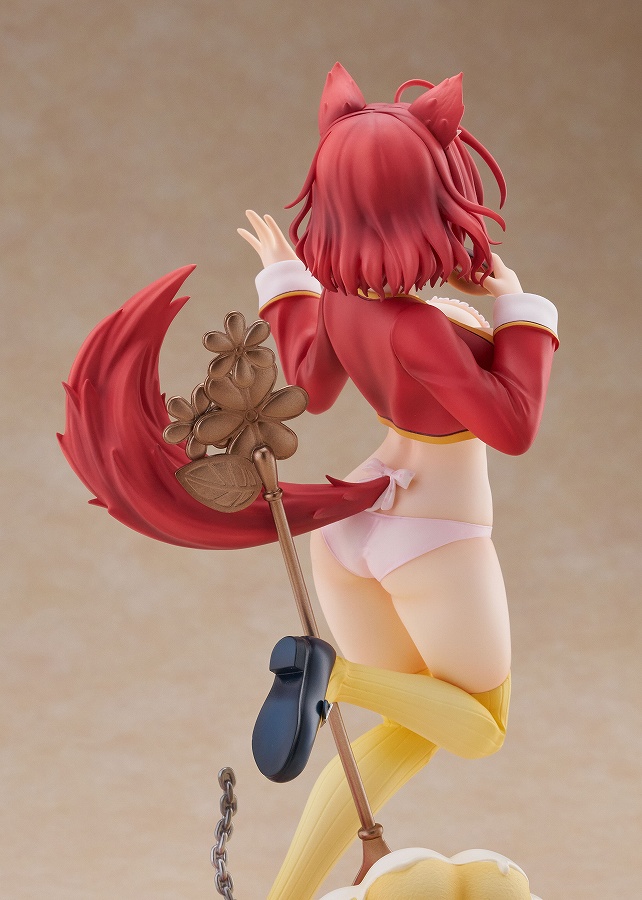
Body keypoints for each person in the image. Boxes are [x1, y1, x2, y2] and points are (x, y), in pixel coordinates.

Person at [238, 63, 559, 900]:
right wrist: (520, 311)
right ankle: (330, 678)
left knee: (408, 727)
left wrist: (286, 283)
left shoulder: (342, 304)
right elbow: (513, 425)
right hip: (434, 535)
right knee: (481, 726)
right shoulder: (420, 327)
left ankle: (284, 894)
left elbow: (310, 387)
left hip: (358, 523)